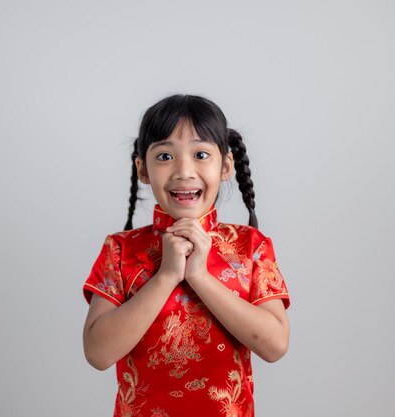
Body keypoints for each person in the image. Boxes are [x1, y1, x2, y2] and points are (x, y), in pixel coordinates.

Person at [82, 94, 291, 417]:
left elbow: (275, 345)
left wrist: (200, 277)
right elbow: (97, 353)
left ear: (225, 166)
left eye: (201, 154)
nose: (183, 171)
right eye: (165, 156)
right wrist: (166, 276)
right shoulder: (121, 250)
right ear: (143, 169)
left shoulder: (250, 245)